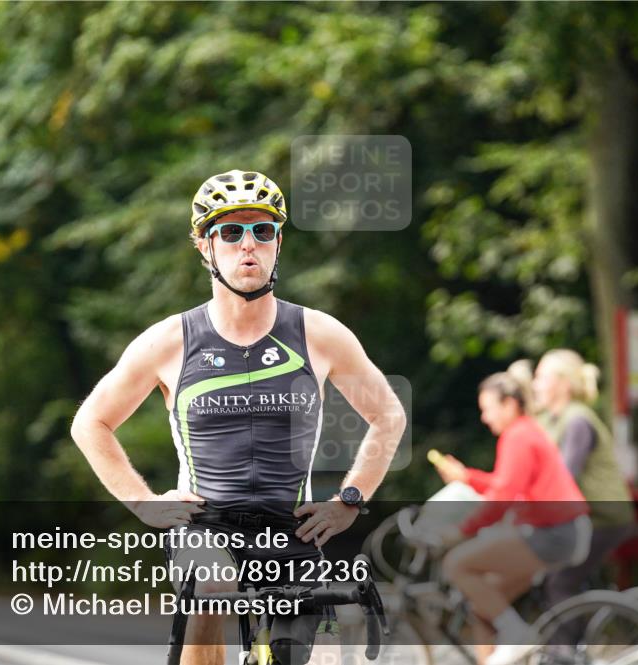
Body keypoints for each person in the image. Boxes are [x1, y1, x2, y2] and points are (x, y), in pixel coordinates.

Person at [70, 169, 406, 665]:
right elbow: (90, 423)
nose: (247, 244)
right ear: (205, 246)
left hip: (290, 532)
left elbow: (388, 415)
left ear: (278, 243)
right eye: (230, 232)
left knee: (328, 660)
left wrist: (350, 500)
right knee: (213, 580)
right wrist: (143, 503)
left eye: (262, 231)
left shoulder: (319, 334)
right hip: (203, 527)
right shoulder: (170, 341)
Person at [436, 372, 591, 665]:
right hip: (560, 532)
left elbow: (503, 497)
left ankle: (518, 636)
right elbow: (505, 485)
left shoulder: (518, 436)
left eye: (487, 408)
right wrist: (467, 477)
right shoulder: (526, 431)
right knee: (484, 604)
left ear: (509, 405)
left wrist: (463, 530)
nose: (484, 417)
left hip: (552, 534)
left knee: (456, 563)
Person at [532, 349, 635, 608]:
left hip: (604, 518)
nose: (535, 385)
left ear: (564, 385)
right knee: (555, 578)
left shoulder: (577, 420)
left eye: (542, 377)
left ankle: (565, 650)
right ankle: (573, 643)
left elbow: (565, 475)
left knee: (559, 582)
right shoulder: (550, 419)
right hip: (585, 517)